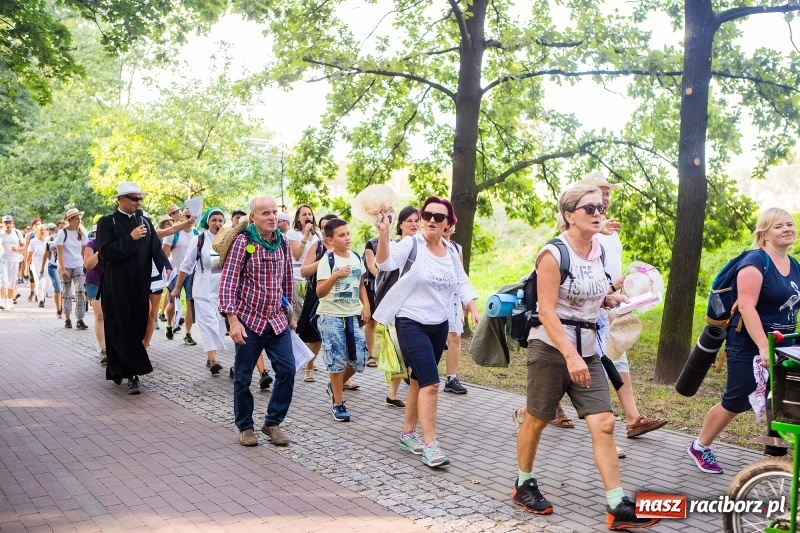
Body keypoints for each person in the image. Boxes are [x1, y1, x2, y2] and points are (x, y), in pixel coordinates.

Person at [513, 184, 659, 530]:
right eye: (589, 209)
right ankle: (523, 483)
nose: (598, 214)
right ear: (568, 215)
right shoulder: (553, 254)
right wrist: (570, 356)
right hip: (551, 348)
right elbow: (546, 311)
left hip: (589, 348)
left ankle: (616, 505)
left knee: (604, 423)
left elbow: (594, 294)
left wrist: (609, 300)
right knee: (536, 418)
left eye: (600, 208)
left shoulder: (597, 251)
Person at [688, 207, 800, 474]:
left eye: (790, 224)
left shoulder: (794, 264)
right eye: (778, 226)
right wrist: (763, 346)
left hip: (783, 342)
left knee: (784, 396)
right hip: (749, 342)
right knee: (737, 399)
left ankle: (775, 451)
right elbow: (747, 308)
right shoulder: (755, 262)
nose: (787, 229)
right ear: (764, 234)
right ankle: (700, 446)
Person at [374, 196, 480, 468]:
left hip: (439, 324)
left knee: (420, 381)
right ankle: (430, 445)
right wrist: (385, 234)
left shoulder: (451, 251)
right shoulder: (411, 244)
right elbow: (385, 263)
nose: (432, 220)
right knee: (432, 384)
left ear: (448, 223)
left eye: (439, 217)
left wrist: (474, 306)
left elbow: (462, 281)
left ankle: (407, 435)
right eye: (428, 215)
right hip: (410, 321)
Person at [219, 195, 295, 447]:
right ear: (253, 217)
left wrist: (289, 313)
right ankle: (245, 427)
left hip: (276, 320)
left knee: (287, 369)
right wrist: (233, 320)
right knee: (242, 377)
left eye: (275, 212)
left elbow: (286, 279)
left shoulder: (282, 242)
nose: (272, 217)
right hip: (248, 320)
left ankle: (272, 422)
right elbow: (228, 281)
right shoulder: (244, 242)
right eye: (266, 213)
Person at [96, 182, 172, 395]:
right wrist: (130, 238)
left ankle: (118, 368)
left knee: (139, 323)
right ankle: (133, 374)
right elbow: (106, 252)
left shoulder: (145, 222)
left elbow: (155, 249)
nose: (138, 202)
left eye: (140, 199)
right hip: (116, 284)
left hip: (140, 283)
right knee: (121, 326)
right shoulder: (107, 222)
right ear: (120, 199)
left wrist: (166, 266)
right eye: (133, 198)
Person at [363, 206, 420, 407]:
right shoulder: (397, 246)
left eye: (416, 220)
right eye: (409, 221)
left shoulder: (422, 245)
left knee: (404, 352)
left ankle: (395, 393)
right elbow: (381, 265)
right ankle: (395, 392)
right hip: (397, 307)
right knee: (398, 350)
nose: (414, 224)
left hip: (418, 308)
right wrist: (383, 231)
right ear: (400, 225)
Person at [316, 218, 370, 422]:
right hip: (331, 316)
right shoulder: (327, 261)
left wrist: (366, 306)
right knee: (336, 361)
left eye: (348, 233)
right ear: (330, 240)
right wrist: (335, 275)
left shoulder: (356, 257)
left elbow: (361, 285)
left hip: (353, 315)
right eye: (341, 235)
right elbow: (320, 292)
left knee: (359, 360)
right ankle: (338, 403)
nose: (347, 238)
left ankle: (334, 386)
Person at [173, 208, 228, 375]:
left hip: (220, 291)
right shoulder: (199, 239)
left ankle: (211, 355)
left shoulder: (227, 240)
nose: (217, 224)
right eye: (214, 220)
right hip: (202, 290)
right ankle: (213, 360)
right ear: (207, 222)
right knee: (209, 324)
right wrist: (177, 287)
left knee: (218, 326)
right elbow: (186, 265)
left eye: (220, 220)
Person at [286, 204, 322, 380]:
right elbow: (296, 255)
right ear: (298, 218)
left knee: (310, 320)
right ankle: (297, 355)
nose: (308, 217)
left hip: (314, 280)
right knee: (298, 319)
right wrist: (305, 238)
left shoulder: (319, 235)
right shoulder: (292, 234)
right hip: (296, 278)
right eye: (304, 214)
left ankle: (308, 360)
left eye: (310, 214)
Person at [442, 222, 468, 395]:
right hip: (434, 298)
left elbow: (461, 275)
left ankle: (452, 377)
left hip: (453, 298)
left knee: (455, 336)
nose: (448, 227)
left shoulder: (457, 248)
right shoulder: (423, 245)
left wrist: (466, 301)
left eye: (451, 224)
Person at [164, 208, 197, 345]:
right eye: (187, 216)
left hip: (191, 273)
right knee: (172, 302)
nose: (190, 219)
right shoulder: (173, 233)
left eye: (193, 216)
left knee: (190, 302)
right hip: (175, 273)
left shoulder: (197, 234)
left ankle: (187, 333)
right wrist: (168, 269)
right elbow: (164, 254)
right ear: (182, 217)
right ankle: (169, 324)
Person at [55, 208, 88, 330]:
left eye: (79, 219)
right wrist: (63, 269)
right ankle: (67, 318)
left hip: (78, 264)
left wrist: (86, 265)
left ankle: (80, 319)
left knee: (80, 290)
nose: (79, 221)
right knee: (67, 293)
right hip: (66, 266)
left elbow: (85, 251)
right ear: (70, 220)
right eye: (76, 219)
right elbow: (60, 253)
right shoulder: (62, 233)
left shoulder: (81, 234)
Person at [83, 234, 106, 364]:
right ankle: (104, 350)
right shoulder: (92, 244)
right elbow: (88, 265)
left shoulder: (115, 242)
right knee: (100, 315)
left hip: (110, 282)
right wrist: (100, 251)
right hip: (93, 282)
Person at [0, 215, 25, 309]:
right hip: (2, 260)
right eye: (6, 223)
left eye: (9, 223)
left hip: (14, 260)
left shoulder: (17, 233)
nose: (8, 225)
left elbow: (24, 246)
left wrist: (17, 249)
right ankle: (2, 301)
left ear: (12, 223)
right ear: (2, 224)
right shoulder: (0, 233)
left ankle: (9, 301)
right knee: (3, 281)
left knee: (12, 282)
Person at [43, 222, 64, 317]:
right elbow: (46, 253)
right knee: (58, 287)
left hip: (64, 266)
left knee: (63, 289)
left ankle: (62, 306)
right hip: (53, 265)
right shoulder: (51, 239)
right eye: (59, 228)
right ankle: (58, 309)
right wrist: (42, 266)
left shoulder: (68, 238)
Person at [26, 224, 48, 308]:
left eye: (44, 230)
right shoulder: (33, 241)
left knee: (46, 283)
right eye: (40, 230)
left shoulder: (48, 240)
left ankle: (42, 295)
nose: (42, 231)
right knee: (39, 282)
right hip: (36, 265)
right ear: (37, 231)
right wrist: (26, 266)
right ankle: (41, 300)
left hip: (46, 265)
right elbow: (29, 255)